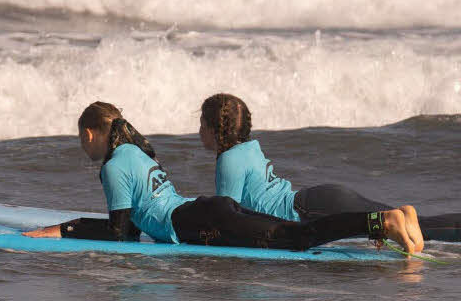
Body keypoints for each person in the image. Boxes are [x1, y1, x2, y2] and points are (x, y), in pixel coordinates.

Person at [24, 102, 425, 255]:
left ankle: (381, 222)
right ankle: (380, 221)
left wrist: (67, 228)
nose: (81, 144)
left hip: (201, 222)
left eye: (80, 137)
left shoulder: (112, 165)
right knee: (296, 235)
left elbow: (121, 234)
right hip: (205, 212)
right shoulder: (134, 151)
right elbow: (128, 229)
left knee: (297, 239)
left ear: (90, 134)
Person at [198, 93, 459, 241]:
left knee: (418, 228)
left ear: (214, 130)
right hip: (318, 199)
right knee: (410, 222)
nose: (199, 132)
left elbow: (226, 218)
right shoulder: (249, 147)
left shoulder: (228, 160)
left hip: (309, 208)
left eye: (201, 125)